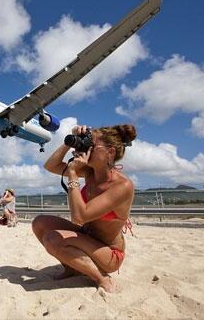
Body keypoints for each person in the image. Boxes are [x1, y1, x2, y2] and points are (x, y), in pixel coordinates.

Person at [33, 124, 136, 293]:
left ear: (110, 152)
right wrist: (69, 142)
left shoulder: (122, 185)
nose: (86, 148)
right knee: (40, 223)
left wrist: (73, 174)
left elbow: (79, 217)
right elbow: (51, 166)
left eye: (91, 146)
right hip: (87, 237)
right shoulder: (90, 172)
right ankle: (71, 268)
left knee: (52, 239)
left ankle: (102, 278)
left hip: (108, 253)